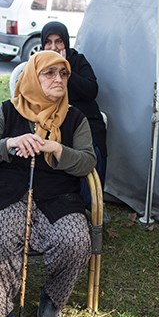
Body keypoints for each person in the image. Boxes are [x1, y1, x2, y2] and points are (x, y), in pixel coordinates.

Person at [0, 51, 96, 317]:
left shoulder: (75, 118)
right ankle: (1, 314)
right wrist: (10, 143)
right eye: (49, 73)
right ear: (32, 77)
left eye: (63, 74)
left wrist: (57, 148)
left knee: (76, 240)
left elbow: (87, 162)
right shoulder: (6, 111)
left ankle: (53, 298)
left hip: (57, 197)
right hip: (9, 194)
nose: (59, 80)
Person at [40, 21, 107, 191]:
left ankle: (90, 201)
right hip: (49, 119)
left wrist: (65, 69)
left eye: (59, 41)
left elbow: (91, 90)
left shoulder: (77, 60)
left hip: (82, 118)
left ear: (66, 43)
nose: (53, 47)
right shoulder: (37, 64)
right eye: (48, 42)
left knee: (93, 150)